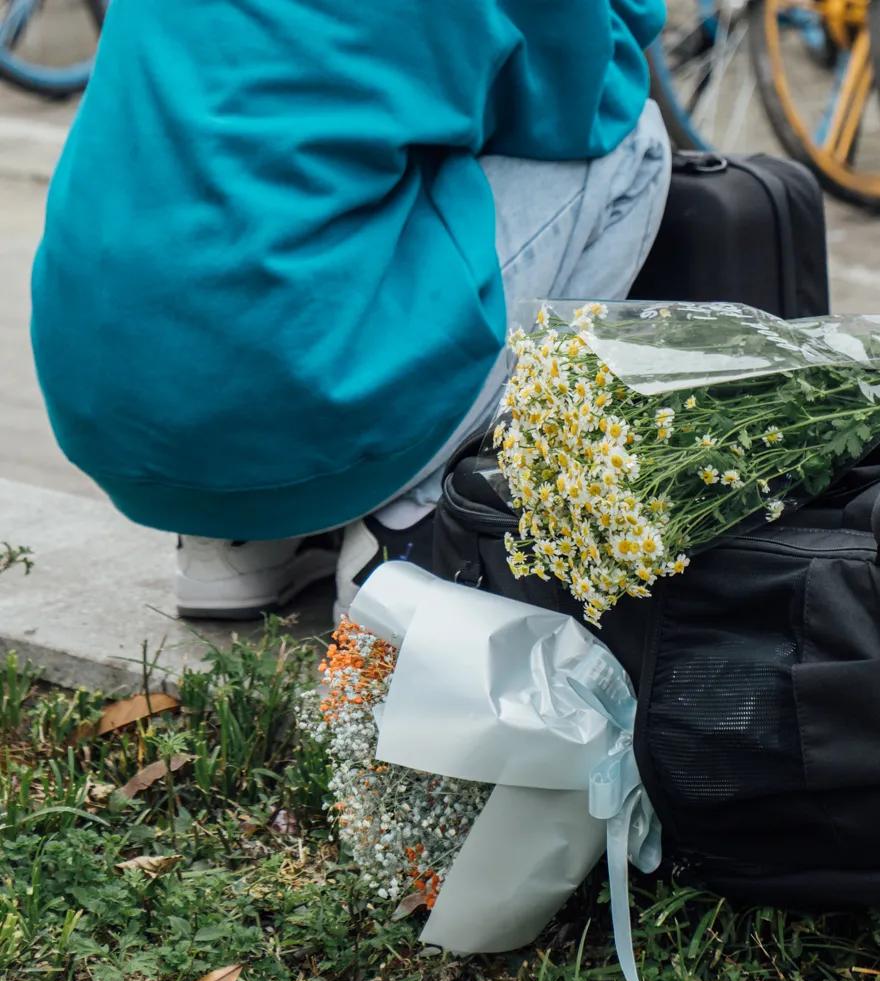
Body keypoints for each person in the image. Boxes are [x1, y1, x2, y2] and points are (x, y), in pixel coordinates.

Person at [31, 1, 671, 621]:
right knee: (634, 143)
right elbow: (584, 94)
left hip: (110, 401)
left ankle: (238, 543)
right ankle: (410, 523)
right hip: (295, 383)